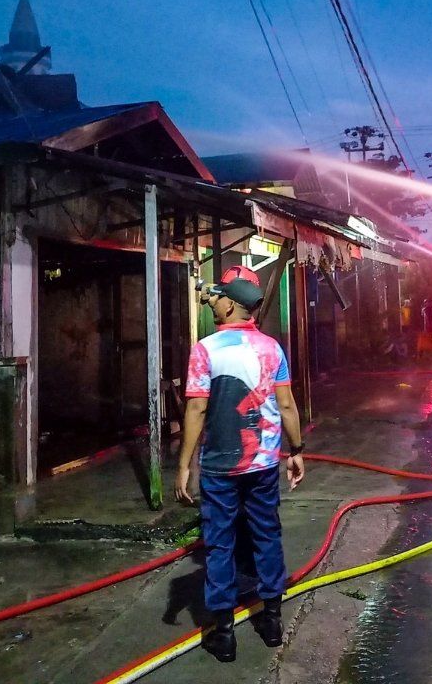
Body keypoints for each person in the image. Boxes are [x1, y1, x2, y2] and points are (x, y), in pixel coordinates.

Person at [176, 276, 306, 662]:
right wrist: (296, 449)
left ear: (231, 306)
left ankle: (225, 633)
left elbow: (197, 409)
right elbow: (286, 405)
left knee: (220, 542)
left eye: (217, 300)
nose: (212, 303)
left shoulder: (205, 350)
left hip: (219, 466)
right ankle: (271, 620)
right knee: (266, 534)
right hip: (264, 463)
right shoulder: (271, 348)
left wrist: (184, 464)